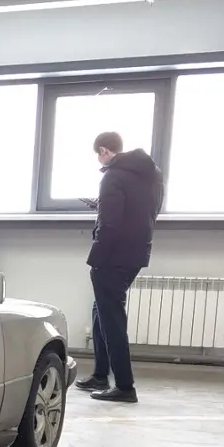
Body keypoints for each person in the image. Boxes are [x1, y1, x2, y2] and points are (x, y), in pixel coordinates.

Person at [74, 132, 164, 404]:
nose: (99, 160)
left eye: (98, 155)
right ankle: (100, 375)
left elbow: (109, 225)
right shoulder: (152, 173)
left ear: (104, 150)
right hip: (137, 252)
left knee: (112, 318)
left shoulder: (112, 176)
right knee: (101, 310)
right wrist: (101, 204)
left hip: (112, 256)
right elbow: (146, 210)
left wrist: (96, 259)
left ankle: (125, 386)